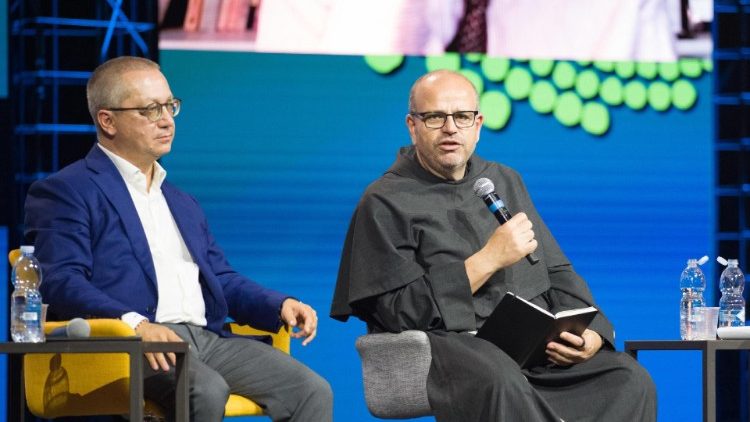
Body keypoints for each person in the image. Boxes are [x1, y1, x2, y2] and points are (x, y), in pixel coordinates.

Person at [331, 70, 656, 421]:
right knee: (500, 378)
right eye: (435, 117)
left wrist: (591, 332)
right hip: (453, 345)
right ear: (412, 125)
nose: (450, 128)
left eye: (462, 116)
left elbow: (555, 270)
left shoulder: (502, 180)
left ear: (479, 123)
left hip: (532, 344)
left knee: (628, 378)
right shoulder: (385, 200)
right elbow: (397, 311)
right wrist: (486, 260)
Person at [24, 56, 333, 422]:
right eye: (150, 109)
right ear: (107, 121)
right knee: (206, 388)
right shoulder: (67, 191)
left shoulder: (182, 201)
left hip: (207, 340)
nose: (167, 119)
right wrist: (134, 324)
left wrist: (278, 303)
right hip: (128, 345)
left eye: (170, 106)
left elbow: (220, 278)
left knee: (311, 390)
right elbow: (61, 280)